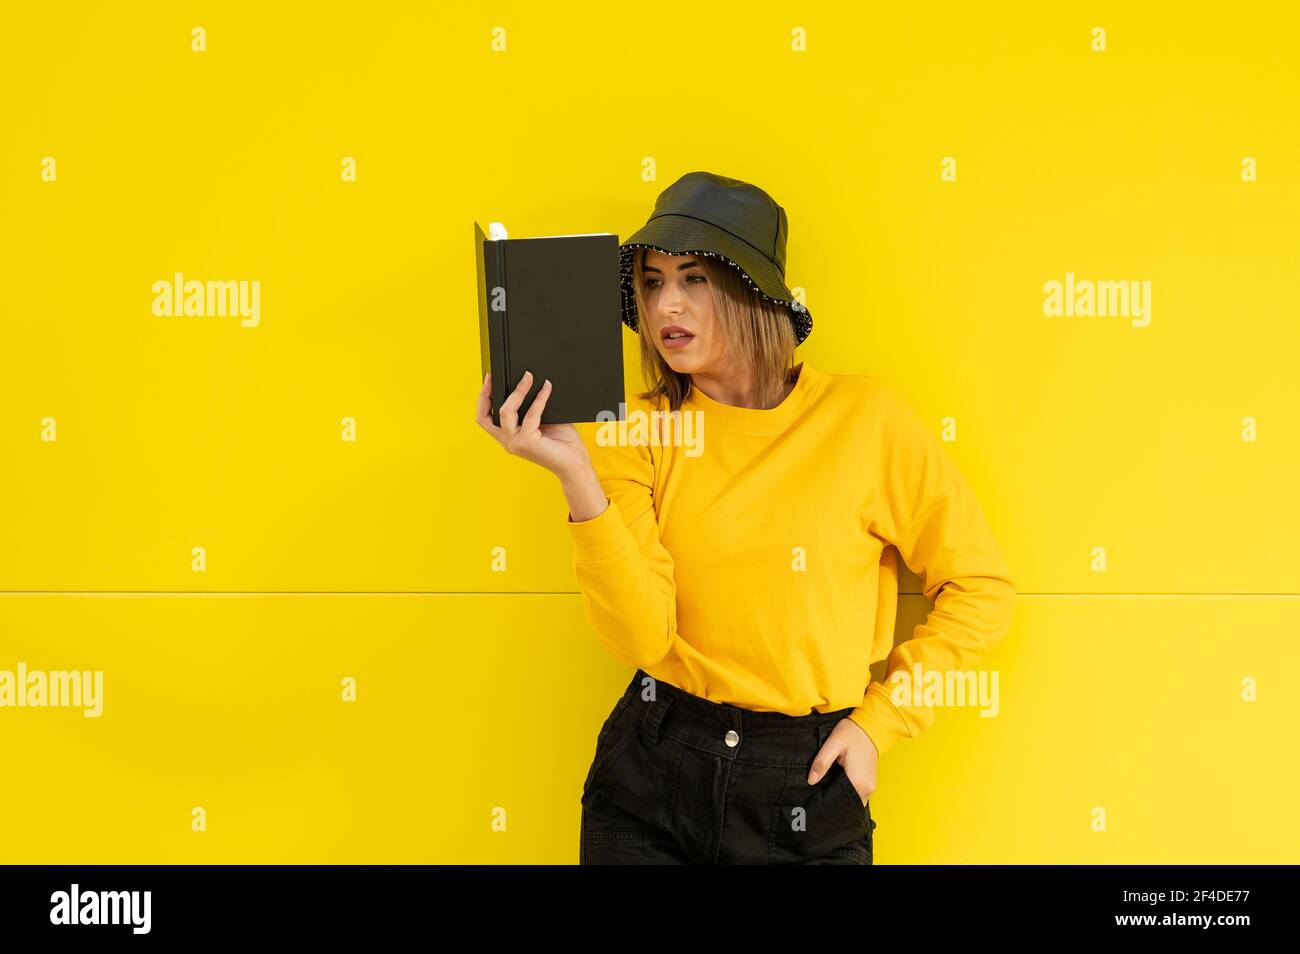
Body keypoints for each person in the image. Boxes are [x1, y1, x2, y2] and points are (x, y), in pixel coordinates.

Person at [475, 171, 1017, 864]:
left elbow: (982, 590)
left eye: (694, 277)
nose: (665, 302)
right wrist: (577, 477)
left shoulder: (868, 422)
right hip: (653, 769)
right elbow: (644, 636)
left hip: (805, 779)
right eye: (651, 281)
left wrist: (881, 723)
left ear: (754, 290)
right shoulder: (632, 429)